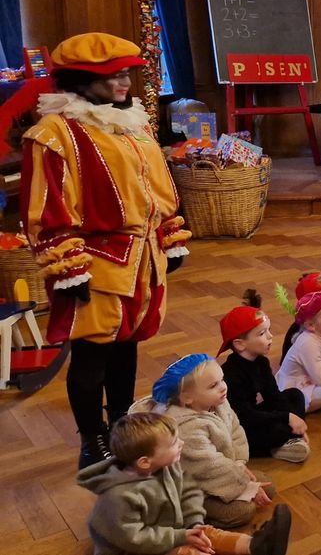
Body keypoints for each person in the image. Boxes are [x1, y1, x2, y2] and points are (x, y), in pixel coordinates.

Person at [9, 33, 192, 469]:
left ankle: (123, 426)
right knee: (92, 354)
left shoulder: (135, 123)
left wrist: (170, 235)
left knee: (126, 346)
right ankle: (92, 440)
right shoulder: (53, 133)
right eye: (114, 76)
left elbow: (158, 189)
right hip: (94, 265)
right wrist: (68, 269)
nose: (125, 83)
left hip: (143, 261)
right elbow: (45, 210)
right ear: (82, 80)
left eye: (126, 73)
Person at [78, 412, 292, 555]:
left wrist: (194, 523)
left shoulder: (167, 466)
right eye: (173, 443)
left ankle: (257, 546)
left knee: (207, 533)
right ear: (145, 461)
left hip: (164, 530)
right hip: (133, 548)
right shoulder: (118, 497)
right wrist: (180, 538)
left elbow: (188, 494)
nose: (181, 443)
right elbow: (135, 539)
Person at [131, 355, 276, 529]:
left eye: (222, 380)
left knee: (268, 486)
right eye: (213, 385)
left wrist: (238, 463)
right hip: (189, 488)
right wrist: (246, 487)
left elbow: (235, 430)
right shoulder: (183, 428)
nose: (223, 387)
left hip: (218, 473)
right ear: (187, 398)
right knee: (243, 511)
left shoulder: (216, 401)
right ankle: (190, 517)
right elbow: (208, 466)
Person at [218, 290, 310, 464]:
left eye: (268, 331)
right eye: (262, 334)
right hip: (239, 427)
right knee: (277, 428)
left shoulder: (261, 362)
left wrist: (291, 416)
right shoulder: (231, 374)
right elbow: (244, 416)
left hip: (252, 417)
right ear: (240, 344)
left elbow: (274, 396)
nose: (270, 336)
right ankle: (282, 442)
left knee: (295, 395)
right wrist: (287, 418)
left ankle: (289, 440)